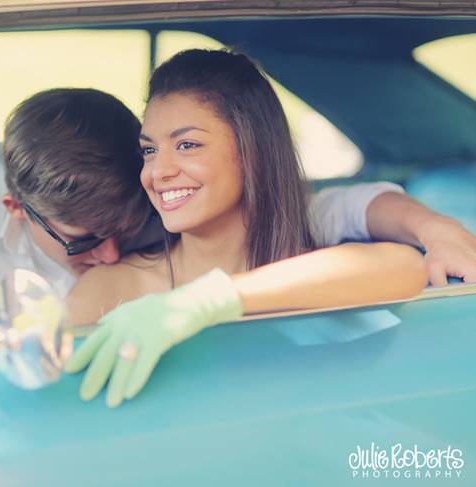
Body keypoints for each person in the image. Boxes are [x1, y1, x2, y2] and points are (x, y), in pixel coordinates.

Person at [0, 87, 476, 329]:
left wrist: (438, 227)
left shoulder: (171, 216)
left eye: (126, 227)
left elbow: (342, 212)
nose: (109, 253)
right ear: (14, 208)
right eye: (84, 243)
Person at [63, 49, 430, 408]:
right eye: (149, 151)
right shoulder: (112, 289)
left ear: (252, 151)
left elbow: (407, 267)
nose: (158, 172)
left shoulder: (308, 270)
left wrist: (206, 300)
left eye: (187, 145)